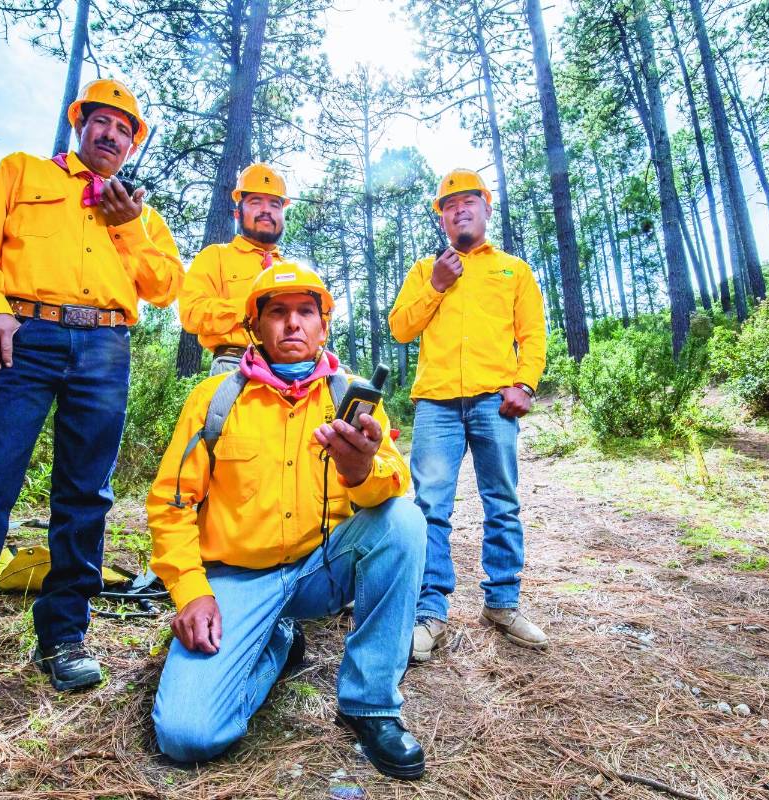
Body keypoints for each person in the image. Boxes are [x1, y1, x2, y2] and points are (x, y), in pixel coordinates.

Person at [0, 79, 184, 732]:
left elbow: (164, 288)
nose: (110, 134)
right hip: (27, 334)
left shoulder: (140, 213)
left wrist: (128, 226)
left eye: (123, 128)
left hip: (105, 345)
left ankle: (65, 635)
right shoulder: (22, 174)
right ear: (80, 126)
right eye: (100, 121)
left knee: (86, 494)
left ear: (133, 145)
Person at [149, 266, 428, 780]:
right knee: (187, 736)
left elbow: (392, 484)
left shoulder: (352, 398)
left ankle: (371, 705)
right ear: (255, 327)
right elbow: (172, 504)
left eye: (306, 312)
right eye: (277, 312)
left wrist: (359, 469)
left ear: (324, 326)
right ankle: (276, 640)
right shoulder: (214, 400)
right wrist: (191, 591)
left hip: (319, 569)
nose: (292, 324)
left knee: (404, 521)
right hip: (235, 578)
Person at [389, 168, 547, 663]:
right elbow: (400, 328)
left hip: (493, 402)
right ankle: (429, 613)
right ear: (441, 218)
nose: (459, 209)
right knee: (430, 507)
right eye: (449, 204)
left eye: (468, 201)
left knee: (501, 501)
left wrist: (525, 383)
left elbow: (534, 335)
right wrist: (435, 285)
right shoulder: (424, 270)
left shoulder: (513, 270)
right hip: (436, 403)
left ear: (486, 208)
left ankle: (502, 604)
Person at [179, 162, 294, 374]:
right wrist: (253, 308)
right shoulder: (215, 256)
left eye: (274, 204)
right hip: (235, 364)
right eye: (256, 202)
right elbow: (191, 313)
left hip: (292, 370)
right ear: (238, 214)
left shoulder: (294, 272)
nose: (266, 210)